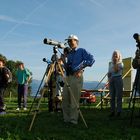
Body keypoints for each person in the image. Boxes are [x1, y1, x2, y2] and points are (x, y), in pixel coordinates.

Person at [62, 34, 95, 124]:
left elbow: (91, 60)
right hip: (68, 76)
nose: (69, 42)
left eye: (71, 40)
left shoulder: (81, 50)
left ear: (76, 41)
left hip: (76, 77)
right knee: (65, 98)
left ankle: (73, 120)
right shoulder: (69, 54)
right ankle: (66, 119)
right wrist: (64, 61)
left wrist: (81, 68)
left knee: (74, 99)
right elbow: (68, 67)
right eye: (68, 41)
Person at [108, 50, 124, 117]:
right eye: (114, 54)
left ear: (119, 56)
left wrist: (116, 62)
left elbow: (116, 70)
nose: (115, 55)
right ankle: (112, 111)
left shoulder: (121, 63)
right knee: (112, 96)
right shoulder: (111, 63)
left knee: (118, 96)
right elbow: (109, 73)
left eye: (116, 54)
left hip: (118, 79)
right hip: (111, 79)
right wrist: (109, 75)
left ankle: (119, 111)